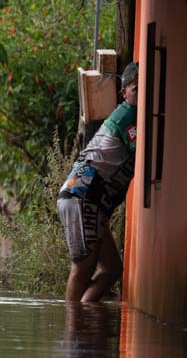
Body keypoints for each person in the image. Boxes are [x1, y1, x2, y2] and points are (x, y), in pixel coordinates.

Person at [57, 61, 139, 302]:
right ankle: (73, 329)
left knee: (112, 270)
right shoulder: (130, 115)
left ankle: (83, 318)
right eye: (137, 89)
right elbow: (141, 149)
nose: (143, 94)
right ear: (124, 93)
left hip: (82, 195)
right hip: (83, 196)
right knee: (83, 267)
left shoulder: (129, 113)